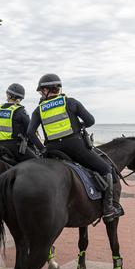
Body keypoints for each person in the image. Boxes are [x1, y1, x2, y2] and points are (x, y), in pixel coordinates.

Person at [27, 74, 118, 222]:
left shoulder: (39, 110)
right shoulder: (70, 102)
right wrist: (79, 125)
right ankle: (108, 209)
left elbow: (30, 133)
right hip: (75, 147)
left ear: (46, 90)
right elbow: (90, 121)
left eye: (40, 91)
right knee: (106, 169)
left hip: (52, 150)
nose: (40, 94)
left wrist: (42, 149)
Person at [0, 83, 38, 162]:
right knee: (38, 162)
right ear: (20, 98)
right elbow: (30, 130)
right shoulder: (20, 110)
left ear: (8, 95)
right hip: (14, 147)